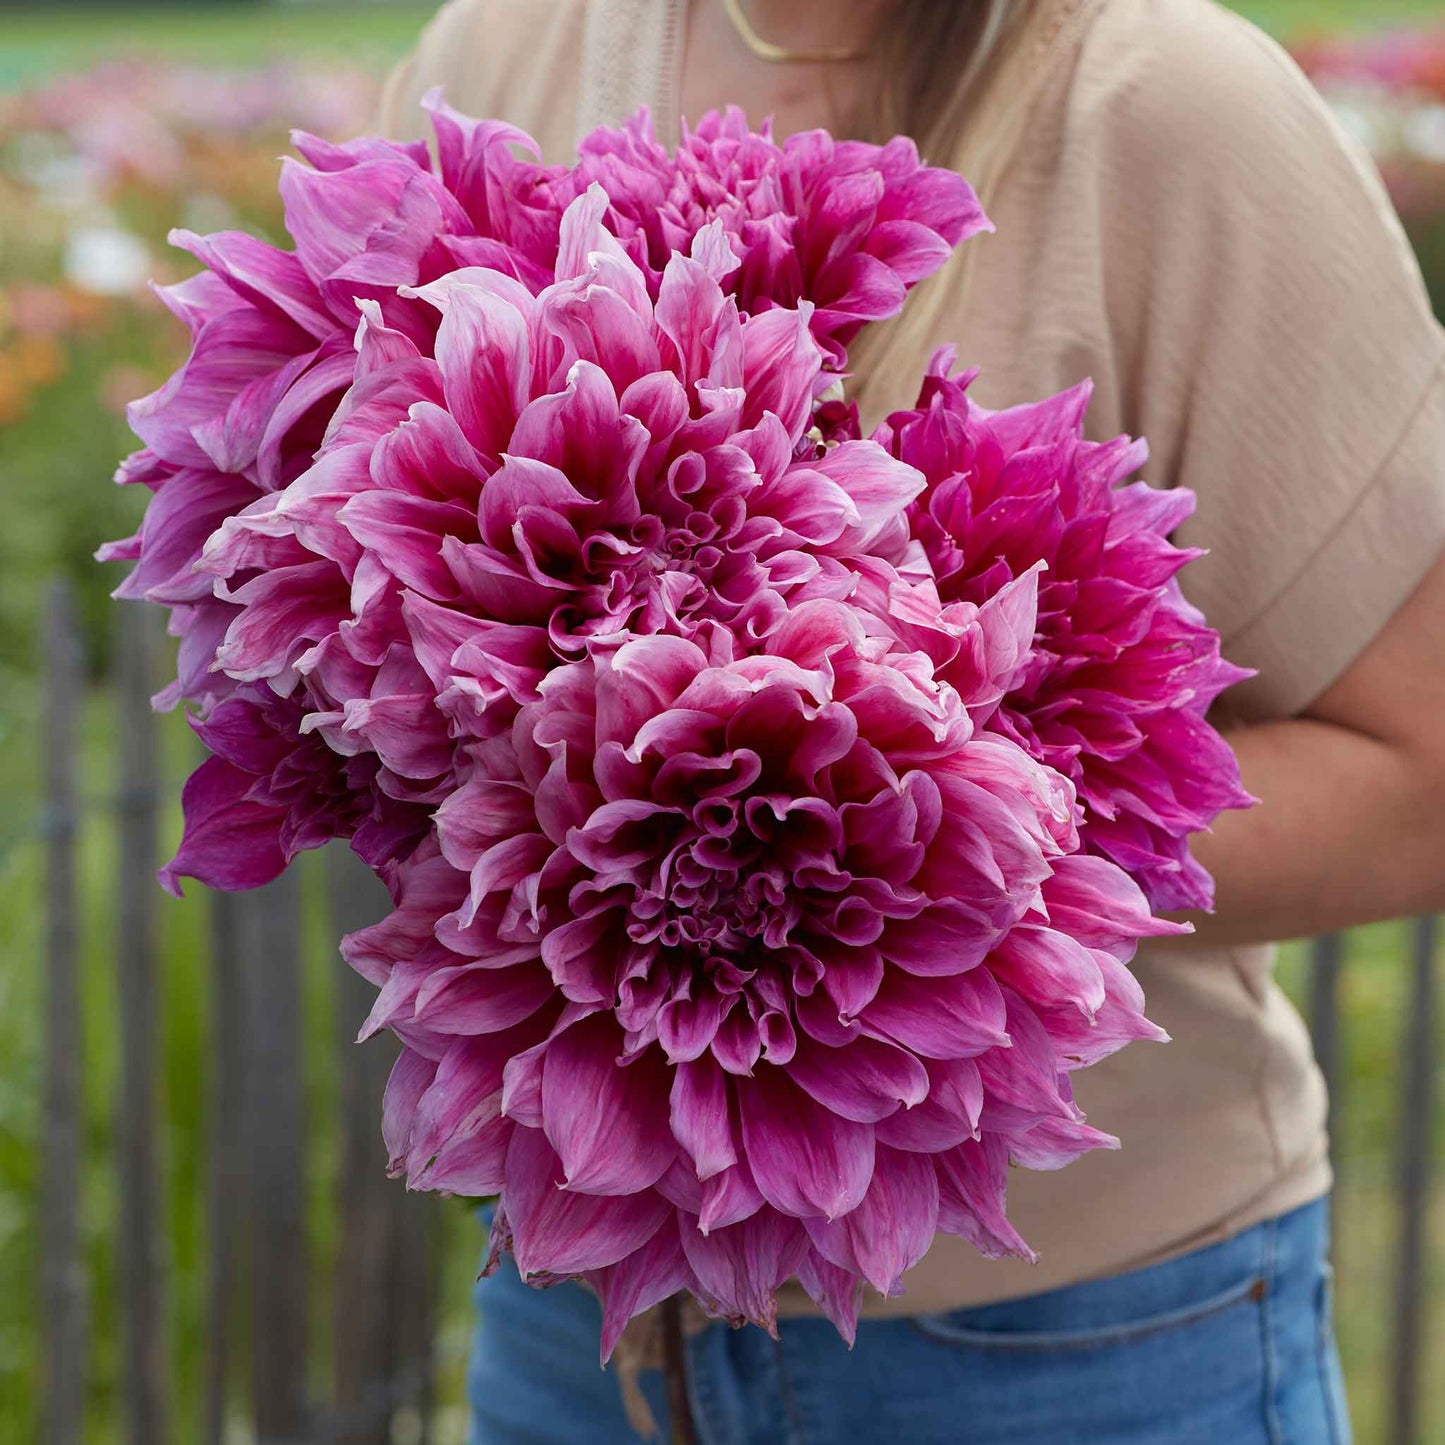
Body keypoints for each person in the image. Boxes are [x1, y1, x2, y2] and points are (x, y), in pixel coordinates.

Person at [378, 2, 1445, 1440]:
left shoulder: (1167, 105)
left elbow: (1421, 777)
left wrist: (928, 876)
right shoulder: (502, 56)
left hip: (1079, 1348)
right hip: (588, 1344)